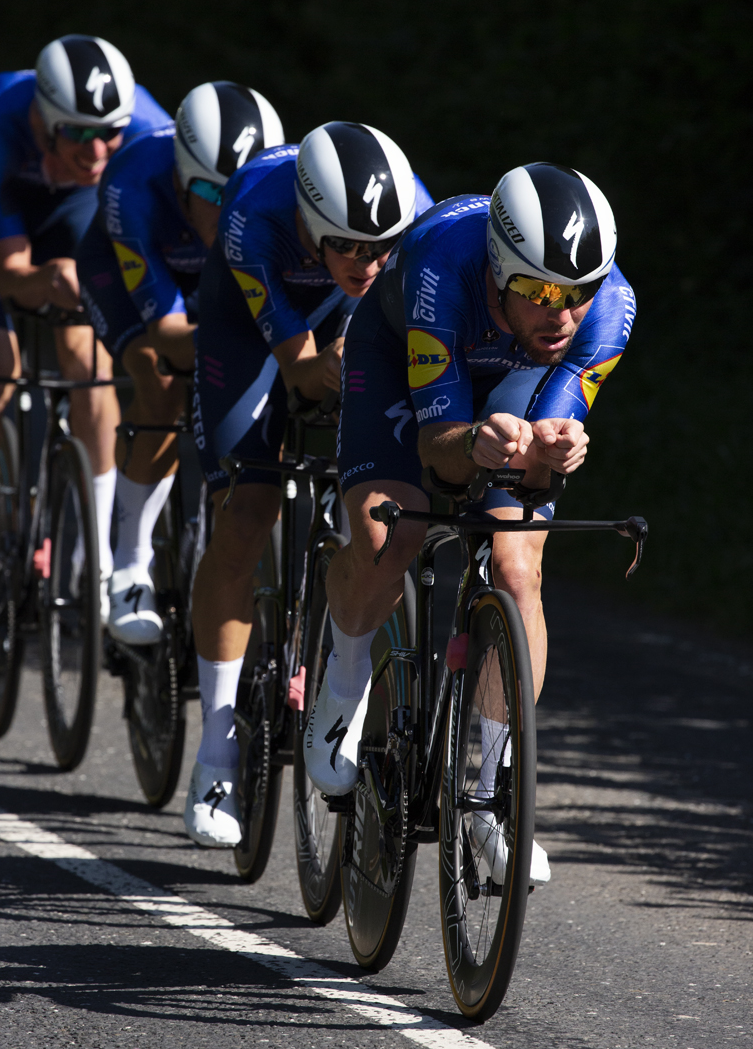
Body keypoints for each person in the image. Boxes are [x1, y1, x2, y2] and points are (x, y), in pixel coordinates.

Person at [305, 161, 637, 886]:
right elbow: (439, 454)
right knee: (392, 536)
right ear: (497, 272)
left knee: (518, 571)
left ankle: (488, 799)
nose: (564, 314)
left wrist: (558, 448)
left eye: (578, 293)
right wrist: (474, 443)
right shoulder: (441, 267)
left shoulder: (610, 308)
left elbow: (541, 467)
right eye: (543, 293)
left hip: (511, 376)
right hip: (399, 361)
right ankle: (344, 680)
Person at [185, 120, 435, 847]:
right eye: (349, 246)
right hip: (252, 317)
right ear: (308, 223)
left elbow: (398, 315)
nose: (367, 260)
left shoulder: (408, 217)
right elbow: (296, 366)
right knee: (249, 503)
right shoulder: (256, 213)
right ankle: (215, 753)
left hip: (359, 321)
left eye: (380, 247)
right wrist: (318, 365)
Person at [0, 34, 170, 640]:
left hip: (73, 211)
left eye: (110, 132)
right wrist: (44, 277)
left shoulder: (150, 126)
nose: (98, 148)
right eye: (78, 132)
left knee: (90, 364)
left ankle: (99, 561)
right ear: (42, 117)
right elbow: (14, 273)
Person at [77, 81, 284, 644]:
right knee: (159, 376)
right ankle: (127, 566)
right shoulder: (134, 183)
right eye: (210, 192)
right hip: (132, 274)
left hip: (216, 282)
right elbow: (170, 337)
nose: (228, 209)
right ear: (177, 176)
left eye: (241, 195)